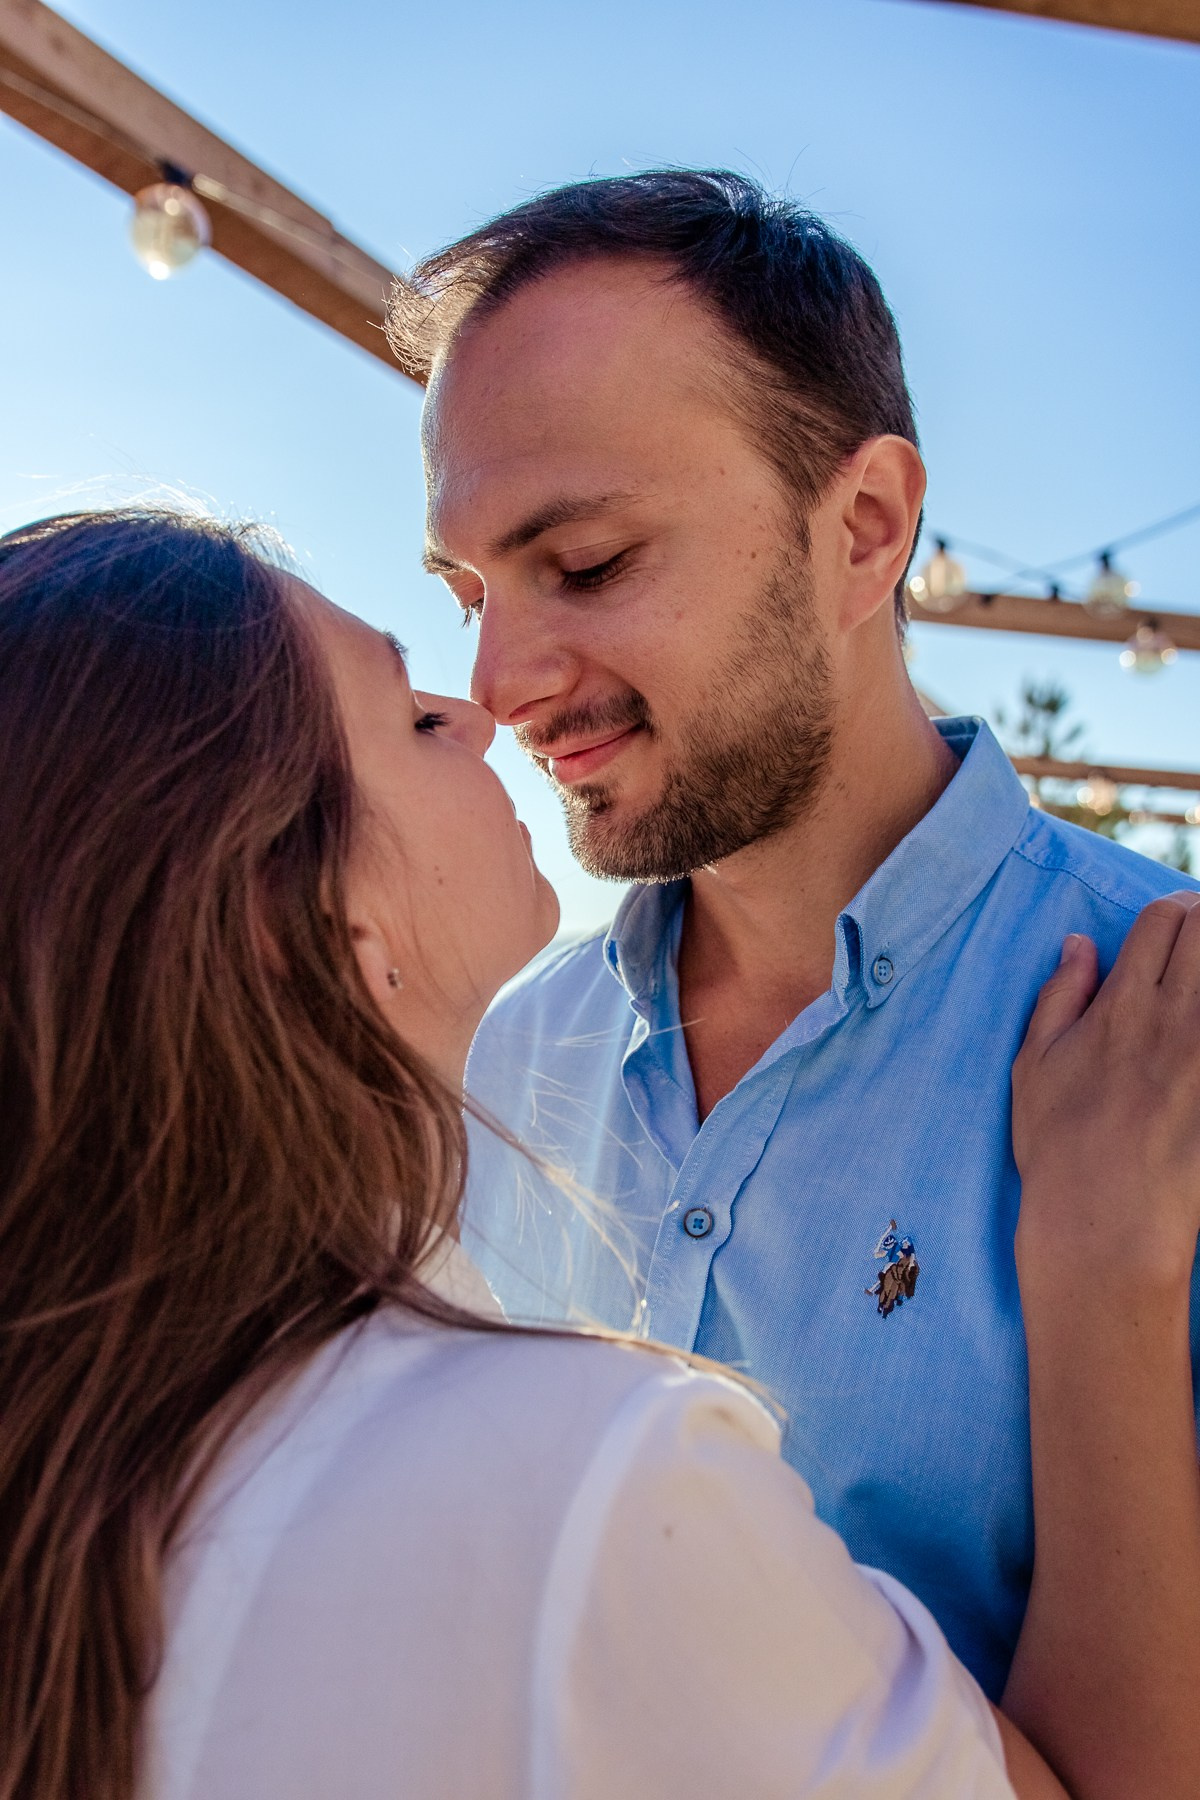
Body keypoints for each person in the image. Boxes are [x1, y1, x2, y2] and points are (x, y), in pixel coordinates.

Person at [385, 169, 1200, 1728]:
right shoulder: (508, 1053)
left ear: (865, 529)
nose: (497, 679)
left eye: (588, 563)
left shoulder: (1163, 1026)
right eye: (470, 588)